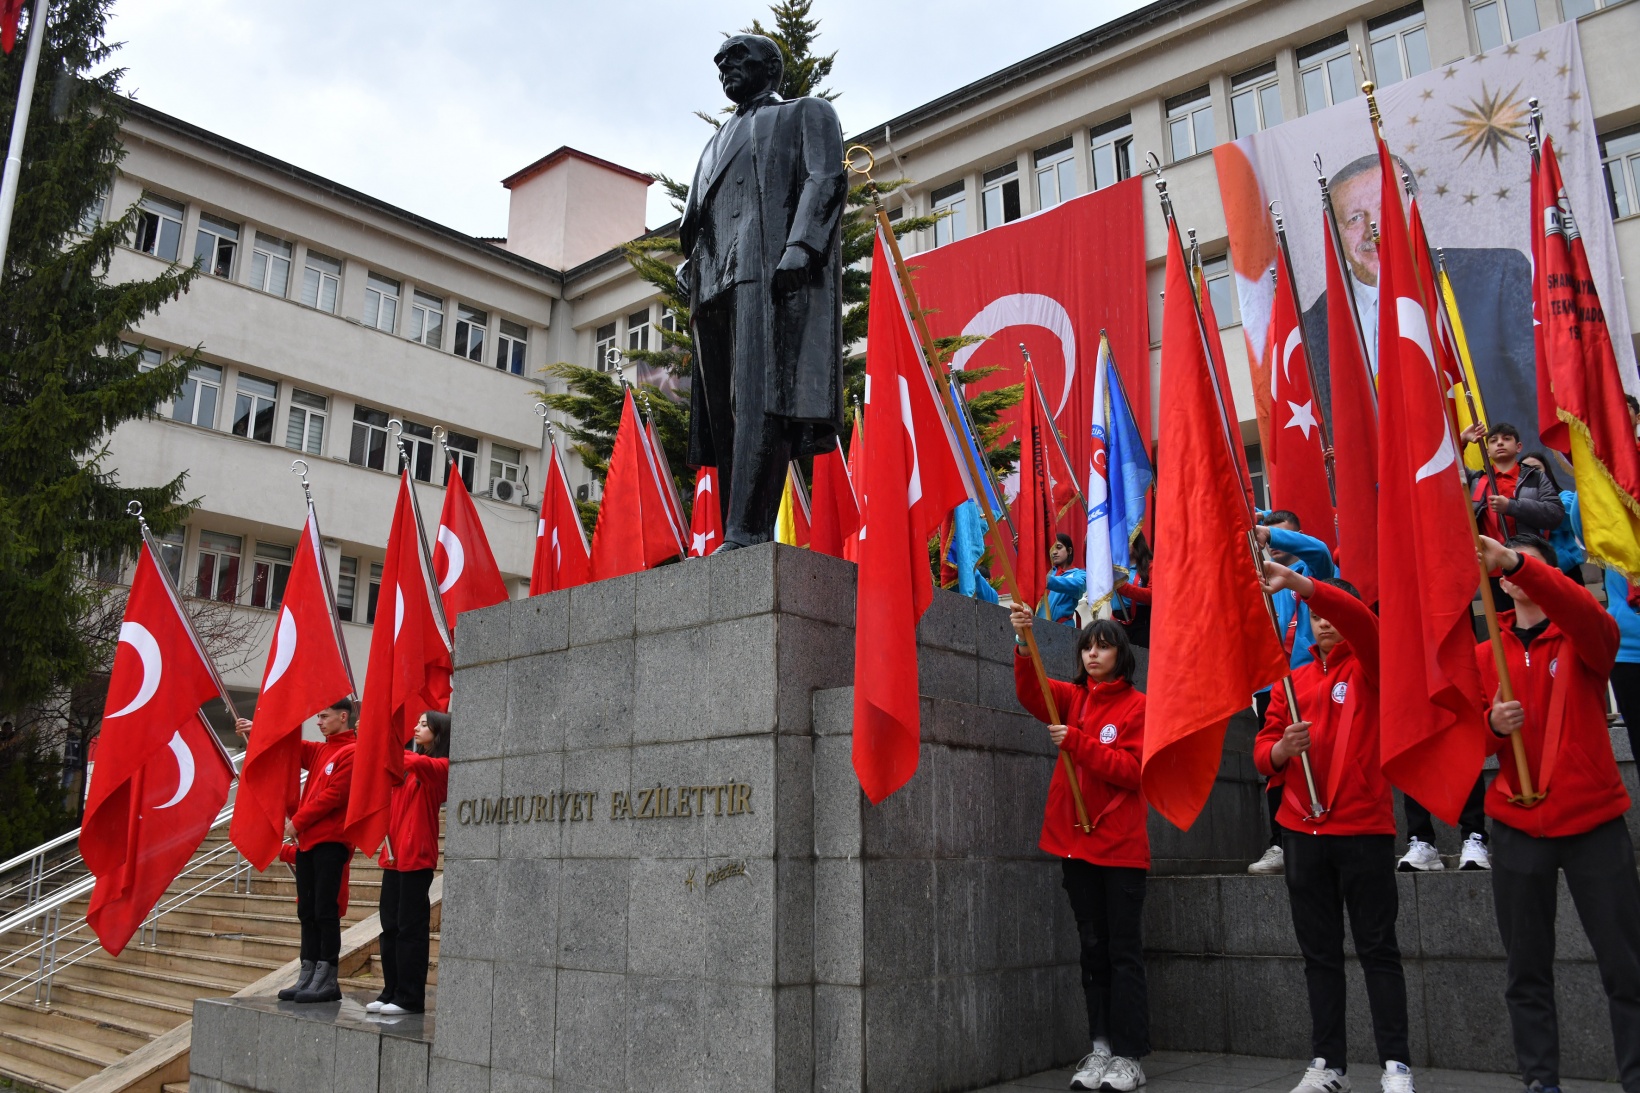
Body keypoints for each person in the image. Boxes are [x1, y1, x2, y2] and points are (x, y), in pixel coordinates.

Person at [1476, 534, 1640, 1092]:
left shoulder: (1584, 634)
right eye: (1505, 568)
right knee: (1526, 971)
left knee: (1625, 966)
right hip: (1519, 824)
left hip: (1594, 822)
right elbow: (1462, 744)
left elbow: (1583, 611)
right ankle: (1540, 1082)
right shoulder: (1484, 653)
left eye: (1530, 567)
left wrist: (1518, 560)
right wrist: (1491, 727)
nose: (1516, 574)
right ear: (1495, 582)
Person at [1253, 563, 1415, 1093]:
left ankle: (1395, 1065)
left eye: (1330, 612)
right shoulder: (1291, 681)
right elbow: (1263, 751)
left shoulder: (1370, 666)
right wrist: (1280, 750)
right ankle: (1328, 1065)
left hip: (1363, 828)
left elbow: (1362, 624)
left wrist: (1304, 585)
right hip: (1302, 831)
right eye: (1315, 615)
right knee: (1318, 955)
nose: (1324, 621)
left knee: (1378, 949)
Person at [1300, 152, 1535, 449]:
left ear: (1416, 204)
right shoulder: (1310, 332)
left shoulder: (1498, 275)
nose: (1375, 228)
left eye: (1386, 207)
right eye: (1355, 218)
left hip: (1493, 485)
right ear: (1334, 233)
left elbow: (1539, 397)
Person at [1010, 604, 1149, 1092]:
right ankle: (1101, 1047)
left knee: (1123, 951)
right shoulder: (1076, 699)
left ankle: (1130, 1056)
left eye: (1103, 645)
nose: (1093, 654)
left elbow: (1133, 772)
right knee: (1092, 949)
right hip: (1077, 844)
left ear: (1120, 654)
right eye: (1087, 646)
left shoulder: (1138, 706)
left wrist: (1079, 743)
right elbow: (1034, 691)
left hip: (1121, 848)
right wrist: (1025, 641)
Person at [237, 698, 358, 1005]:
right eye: (318, 716)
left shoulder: (353, 751)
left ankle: (327, 977)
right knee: (306, 910)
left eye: (324, 716)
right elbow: (286, 748)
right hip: (308, 843)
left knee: (324, 911)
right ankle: (308, 970)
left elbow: (336, 795)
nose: (319, 721)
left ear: (343, 717)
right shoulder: (322, 750)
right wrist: (257, 732)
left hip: (331, 842)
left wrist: (298, 822)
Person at [1248, 512, 1336, 878]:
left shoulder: (1313, 571)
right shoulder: (1261, 577)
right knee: (1276, 763)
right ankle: (1280, 841)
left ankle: (1326, 826)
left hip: (1314, 678)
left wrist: (1271, 532)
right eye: (1269, 536)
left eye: (1283, 537)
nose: (1272, 542)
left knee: (1320, 754)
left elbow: (1320, 550)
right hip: (1274, 685)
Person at [370, 711, 450, 1016]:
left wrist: (384, 738)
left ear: (439, 731)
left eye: (423, 724)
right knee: (389, 926)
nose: (416, 728)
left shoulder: (438, 767)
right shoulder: (410, 767)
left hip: (416, 857)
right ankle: (390, 990)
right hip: (393, 856)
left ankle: (410, 996)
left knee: (410, 928)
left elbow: (413, 761)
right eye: (415, 723)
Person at [1458, 423, 1565, 543]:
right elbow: (1446, 470)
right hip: (1488, 557)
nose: (1499, 443)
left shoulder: (1535, 477)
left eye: (1506, 439)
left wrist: (1511, 506)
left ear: (1518, 447)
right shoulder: (1475, 480)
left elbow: (1555, 513)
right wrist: (1462, 440)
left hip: (1527, 554)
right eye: (1493, 441)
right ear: (1487, 452)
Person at [1518, 452, 1582, 577]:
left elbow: (1564, 520)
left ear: (1546, 471)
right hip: (1533, 570)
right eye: (1525, 470)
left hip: (1567, 570)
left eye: (1537, 469)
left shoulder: (1565, 497)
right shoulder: (1515, 503)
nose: (1532, 473)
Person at [1044, 533, 1088, 627]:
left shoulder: (1079, 574)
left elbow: (1078, 586)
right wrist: (1021, 549)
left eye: (1059, 547)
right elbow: (1031, 572)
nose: (1054, 552)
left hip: (1063, 628)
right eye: (1052, 549)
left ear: (1069, 551)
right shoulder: (1047, 572)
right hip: (1040, 626)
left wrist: (1047, 580)